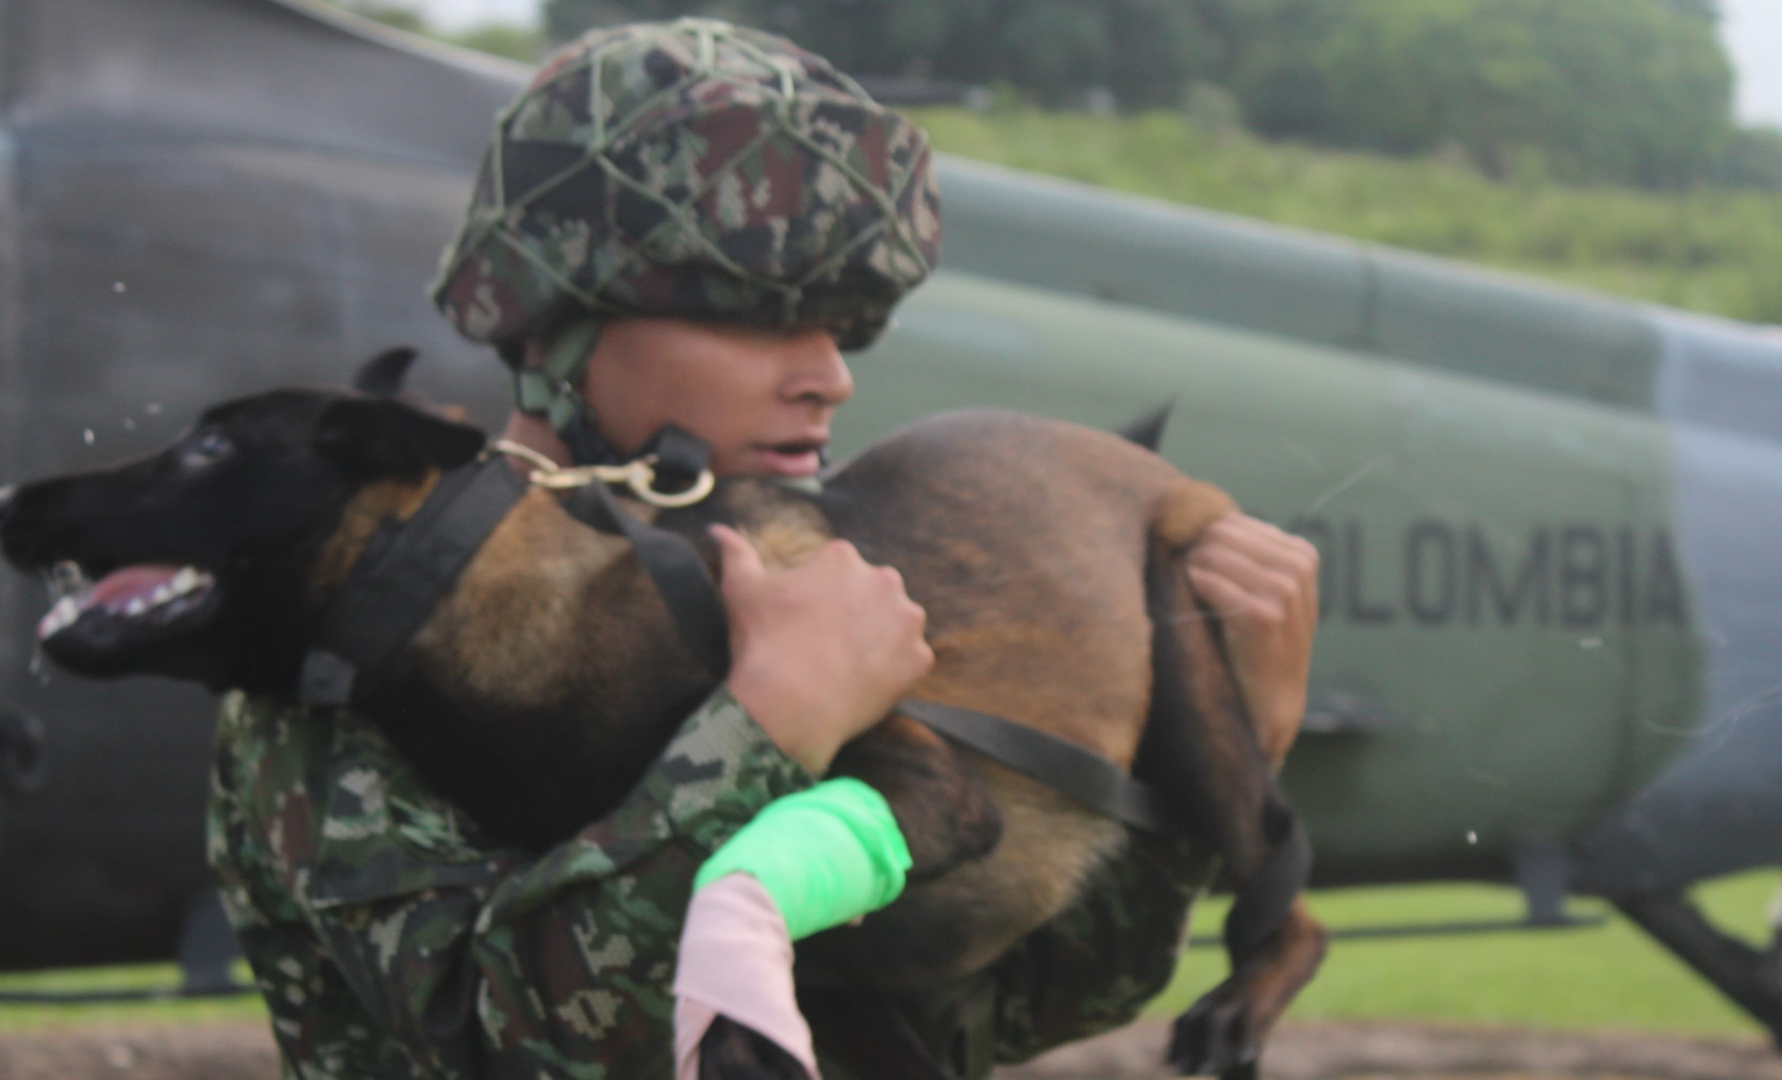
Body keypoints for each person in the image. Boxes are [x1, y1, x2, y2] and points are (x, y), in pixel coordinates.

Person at [207, 18, 1319, 1080]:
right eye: (755, 314)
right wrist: (765, 733)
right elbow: (508, 1052)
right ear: (555, 322)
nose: (826, 375)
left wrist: (1216, 763)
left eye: (841, 325)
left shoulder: (777, 578)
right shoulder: (373, 643)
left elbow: (989, 1014)